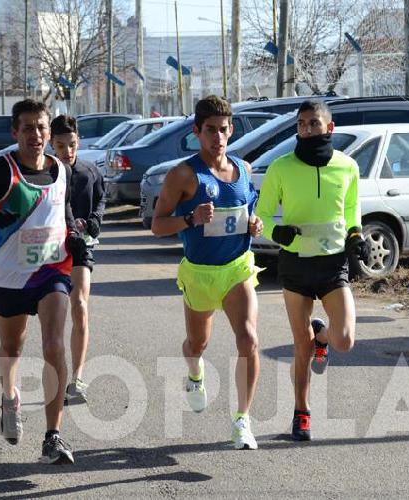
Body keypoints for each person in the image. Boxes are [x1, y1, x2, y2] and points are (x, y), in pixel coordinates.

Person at [0, 98, 89, 465]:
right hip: (10, 275)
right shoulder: (1, 170)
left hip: (52, 271)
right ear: (15, 132)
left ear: (49, 130)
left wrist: (74, 234)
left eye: (41, 127)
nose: (35, 134)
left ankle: (53, 436)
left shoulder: (60, 169)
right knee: (11, 348)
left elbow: (65, 211)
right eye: (27, 127)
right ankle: (10, 397)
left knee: (53, 345)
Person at [150, 95, 264, 451]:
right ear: (197, 132)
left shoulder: (243, 170)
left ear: (231, 131)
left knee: (248, 339)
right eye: (210, 130)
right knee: (197, 343)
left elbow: (248, 213)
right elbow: (156, 225)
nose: (218, 137)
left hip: (236, 268)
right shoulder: (183, 174)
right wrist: (189, 219)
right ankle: (195, 376)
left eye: (224, 129)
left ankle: (242, 421)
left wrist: (255, 224)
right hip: (199, 272)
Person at [254, 99, 362, 441]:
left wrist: (355, 233)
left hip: (333, 262)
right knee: (300, 346)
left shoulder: (347, 167)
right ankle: (302, 413)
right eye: (302, 124)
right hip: (296, 264)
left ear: (329, 127)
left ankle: (323, 337)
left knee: (344, 340)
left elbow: (352, 210)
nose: (307, 129)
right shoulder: (281, 168)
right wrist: (277, 232)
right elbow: (264, 214)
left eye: (314, 123)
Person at [48, 114, 106, 406]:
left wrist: (96, 219)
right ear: (51, 145)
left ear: (78, 142)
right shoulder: (47, 174)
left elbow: (100, 198)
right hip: (52, 249)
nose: (67, 151)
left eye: (71, 145)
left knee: (80, 305)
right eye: (60, 146)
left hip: (82, 247)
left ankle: (77, 378)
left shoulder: (90, 171)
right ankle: (56, 370)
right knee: (55, 314)